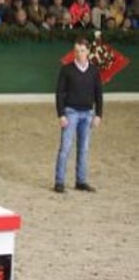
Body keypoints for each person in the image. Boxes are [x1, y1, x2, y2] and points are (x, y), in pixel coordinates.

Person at [53, 37, 103, 194]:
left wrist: (98, 114)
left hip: (88, 113)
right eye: (76, 51)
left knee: (84, 149)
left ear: (88, 51)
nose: (79, 54)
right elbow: (59, 93)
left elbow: (98, 93)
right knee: (65, 148)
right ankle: (59, 182)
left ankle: (81, 181)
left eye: (82, 50)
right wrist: (61, 114)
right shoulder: (66, 69)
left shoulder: (94, 71)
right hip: (71, 112)